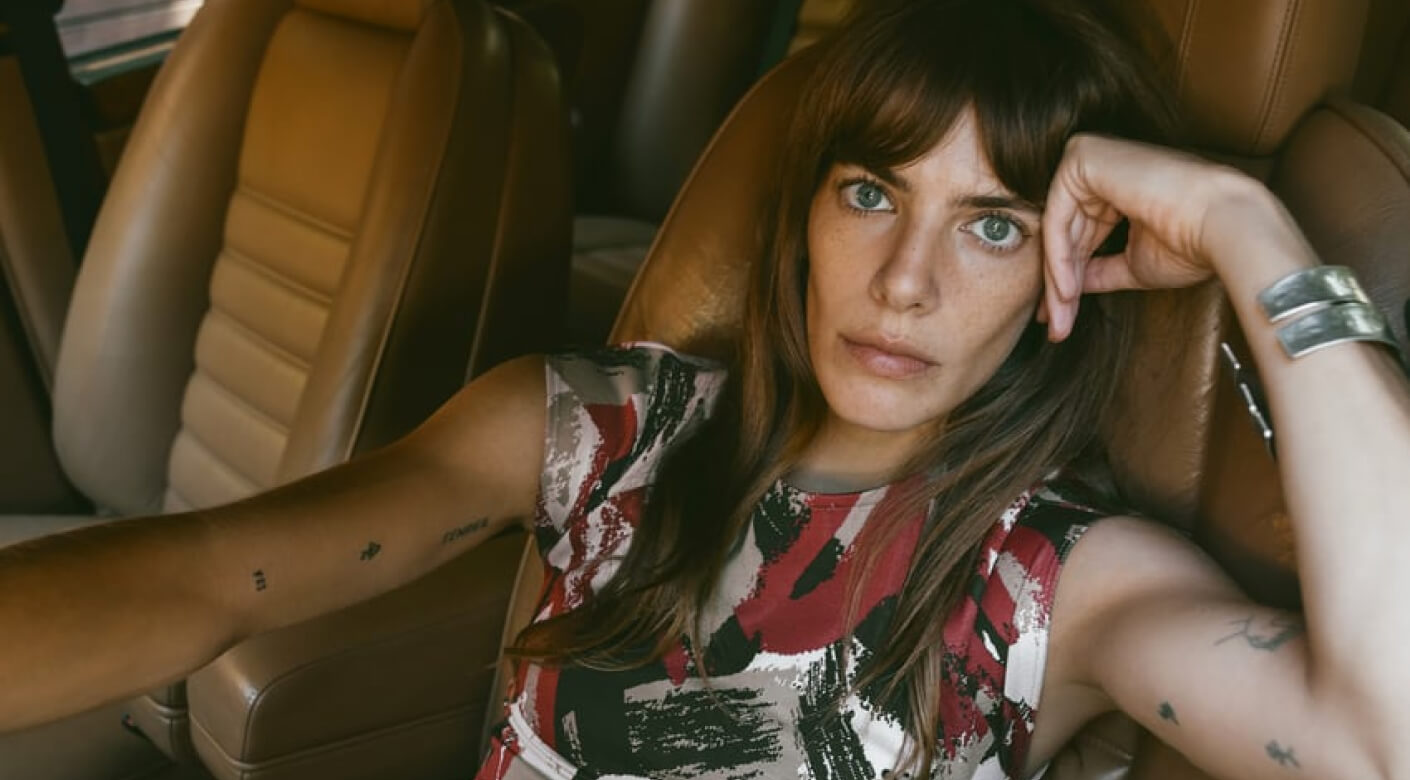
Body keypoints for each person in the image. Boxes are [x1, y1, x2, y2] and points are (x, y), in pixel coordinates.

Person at [3, 0, 1408, 778]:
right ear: (802, 215)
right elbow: (210, 574)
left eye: (992, 225)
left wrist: (1248, 234)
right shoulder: (595, 434)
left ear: (1073, 263)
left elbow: (1380, 740)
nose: (904, 283)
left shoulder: (1051, 583)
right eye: (871, 194)